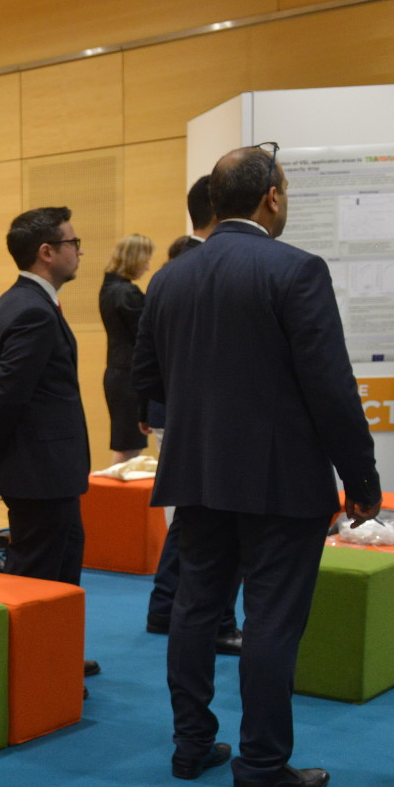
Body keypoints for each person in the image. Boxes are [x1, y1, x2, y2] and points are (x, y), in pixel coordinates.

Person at [133, 145, 381, 787]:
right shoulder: (295, 269)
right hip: (282, 479)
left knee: (195, 608)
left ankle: (191, 746)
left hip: (196, 470)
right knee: (272, 620)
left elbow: (147, 379)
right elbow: (331, 387)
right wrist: (361, 480)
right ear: (272, 196)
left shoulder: (169, 279)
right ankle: (262, 765)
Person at [0, 207, 99, 678]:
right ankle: (38, 675)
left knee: (60, 572)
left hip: (45, 468)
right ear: (47, 252)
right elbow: (8, 394)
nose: (79, 251)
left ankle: (56, 660)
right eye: (72, 242)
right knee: (41, 578)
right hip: (41, 469)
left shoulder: (17, 302)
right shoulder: (31, 310)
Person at [145, 178, 243, 655]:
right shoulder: (213, 269)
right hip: (209, 426)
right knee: (213, 534)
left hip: (183, 418)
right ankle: (207, 617)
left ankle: (167, 605)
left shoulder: (170, 274)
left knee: (191, 524)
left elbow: (145, 366)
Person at [98, 233, 154, 463]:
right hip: (128, 375)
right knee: (129, 446)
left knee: (129, 445)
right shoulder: (126, 293)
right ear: (134, 259)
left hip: (118, 372)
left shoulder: (109, 288)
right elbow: (145, 335)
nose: (147, 266)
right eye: (145, 260)